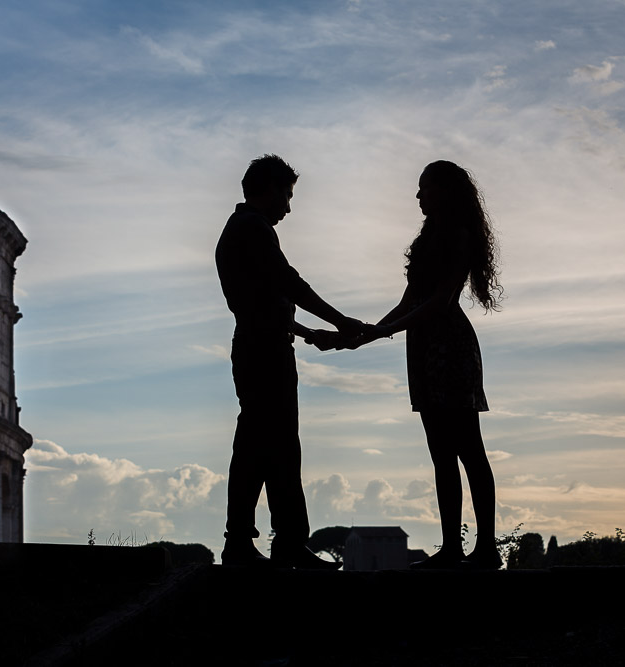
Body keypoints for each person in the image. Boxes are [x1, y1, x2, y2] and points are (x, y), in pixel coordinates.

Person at [323, 160, 503, 569]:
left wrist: (368, 335)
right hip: (423, 348)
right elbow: (409, 302)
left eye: (424, 188)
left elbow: (439, 303)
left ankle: (486, 548)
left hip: (449, 347)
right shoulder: (428, 238)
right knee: (441, 452)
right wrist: (362, 335)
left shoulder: (458, 235)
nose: (418, 196)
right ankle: (454, 549)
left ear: (444, 191)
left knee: (469, 449)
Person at [215, 154, 367, 568]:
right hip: (265, 351)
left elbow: (262, 302)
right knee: (269, 445)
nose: (288, 206)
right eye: (286, 194)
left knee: (266, 444)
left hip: (260, 344)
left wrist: (304, 332)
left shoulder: (242, 229)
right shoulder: (253, 229)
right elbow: (289, 283)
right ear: (267, 188)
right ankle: (262, 542)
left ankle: (262, 541)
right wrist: (342, 322)